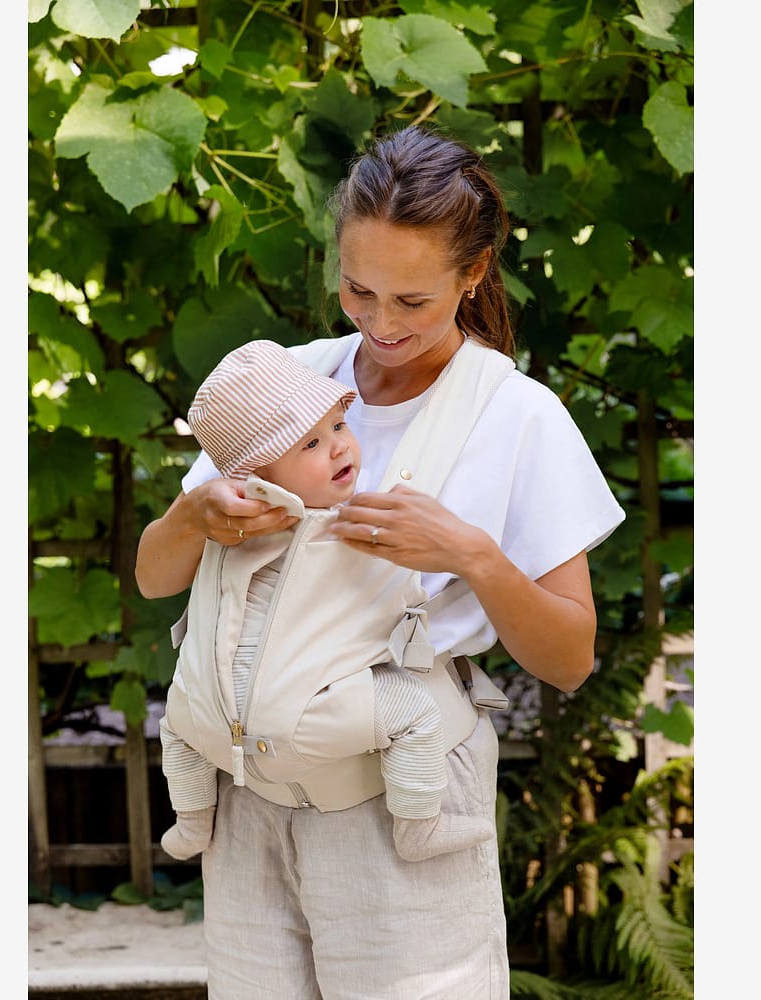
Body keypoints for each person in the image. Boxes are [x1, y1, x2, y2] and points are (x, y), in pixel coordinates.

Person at [136, 124, 625, 1000]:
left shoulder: (518, 418)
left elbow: (571, 657)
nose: (380, 324)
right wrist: (192, 512)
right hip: (250, 805)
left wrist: (469, 553)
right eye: (360, 290)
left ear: (472, 276)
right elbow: (154, 576)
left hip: (404, 809)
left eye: (413, 300)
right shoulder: (286, 382)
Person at [158, 338, 494, 865]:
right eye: (309, 445)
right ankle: (418, 824)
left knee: (175, 722)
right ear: (256, 477)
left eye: (338, 427)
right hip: (308, 716)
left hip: (215, 716)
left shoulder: (225, 527)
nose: (339, 447)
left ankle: (192, 822)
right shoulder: (358, 522)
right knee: (414, 716)